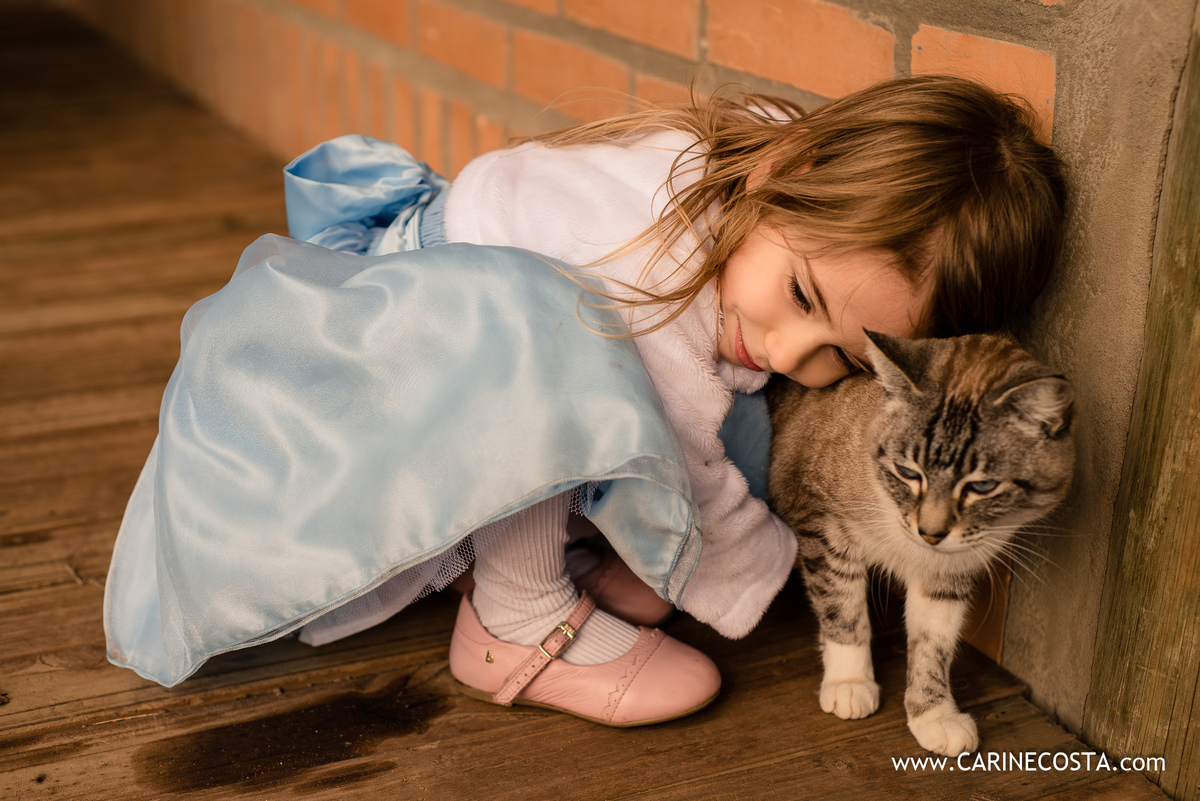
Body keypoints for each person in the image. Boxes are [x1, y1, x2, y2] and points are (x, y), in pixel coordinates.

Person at [103, 75, 1066, 728]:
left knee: (743, 417)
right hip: (373, 380)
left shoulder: (762, 188)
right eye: (802, 298)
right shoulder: (649, 258)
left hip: (463, 361)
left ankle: (575, 558)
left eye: (840, 358)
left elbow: (717, 419)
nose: (784, 351)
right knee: (575, 355)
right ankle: (514, 617)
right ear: (786, 175)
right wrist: (755, 564)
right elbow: (672, 433)